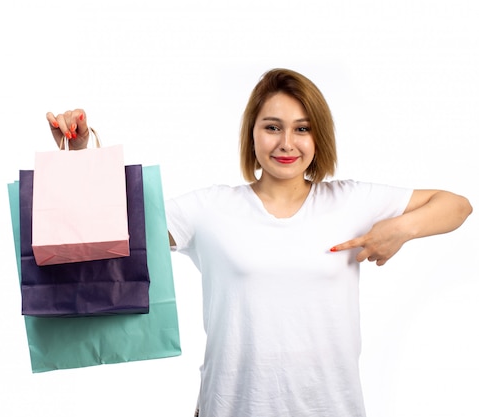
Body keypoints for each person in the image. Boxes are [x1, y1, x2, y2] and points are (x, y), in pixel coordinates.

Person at [45, 68, 472, 417]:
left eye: (302, 129)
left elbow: (456, 205)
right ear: (252, 134)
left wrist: (398, 230)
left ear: (318, 137)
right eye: (273, 127)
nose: (287, 143)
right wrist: (80, 155)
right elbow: (109, 235)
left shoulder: (351, 201)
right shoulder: (209, 209)